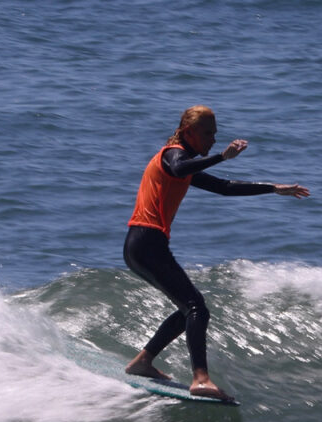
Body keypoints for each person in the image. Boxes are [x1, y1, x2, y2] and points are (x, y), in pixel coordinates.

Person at [123, 105, 310, 401]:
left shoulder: (184, 164)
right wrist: (222, 157)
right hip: (147, 242)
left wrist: (273, 188)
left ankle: (143, 362)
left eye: (215, 135)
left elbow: (224, 187)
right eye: (207, 133)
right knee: (197, 308)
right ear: (187, 133)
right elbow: (179, 167)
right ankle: (200, 379)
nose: (212, 140)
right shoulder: (173, 155)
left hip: (142, 244)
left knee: (190, 308)